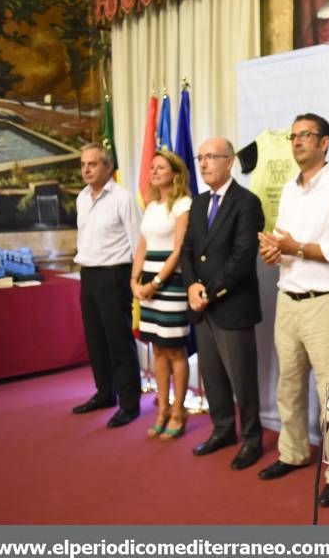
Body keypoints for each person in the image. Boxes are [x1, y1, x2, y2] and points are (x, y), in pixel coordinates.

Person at [257, 113, 329, 508]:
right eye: (293, 136)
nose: (298, 141)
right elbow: (287, 244)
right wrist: (275, 250)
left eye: (306, 135)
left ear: (325, 143)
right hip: (289, 299)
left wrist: (296, 248)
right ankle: (293, 451)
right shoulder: (289, 190)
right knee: (288, 386)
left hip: (326, 305)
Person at [180, 138, 266, 471]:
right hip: (202, 306)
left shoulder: (247, 202)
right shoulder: (198, 203)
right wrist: (191, 286)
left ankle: (252, 439)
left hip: (232, 305)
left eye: (210, 157)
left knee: (242, 379)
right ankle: (222, 430)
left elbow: (242, 257)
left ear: (229, 161)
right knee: (212, 376)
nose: (202, 163)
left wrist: (208, 291)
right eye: (200, 157)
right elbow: (187, 251)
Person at [72, 142, 142, 428]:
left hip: (115, 275)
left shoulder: (122, 198)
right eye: (83, 164)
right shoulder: (81, 198)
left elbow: (138, 241)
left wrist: (136, 279)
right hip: (88, 275)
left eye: (93, 164)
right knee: (95, 339)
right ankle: (104, 393)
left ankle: (129, 404)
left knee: (119, 341)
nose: (86, 169)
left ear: (108, 167)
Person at [130, 150, 192, 440]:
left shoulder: (183, 204)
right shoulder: (152, 205)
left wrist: (155, 282)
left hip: (171, 285)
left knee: (175, 350)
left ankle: (179, 412)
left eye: (160, 167)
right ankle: (162, 410)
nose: (153, 171)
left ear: (175, 172)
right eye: (152, 167)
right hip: (147, 287)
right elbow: (143, 245)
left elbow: (179, 249)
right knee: (156, 349)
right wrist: (134, 281)